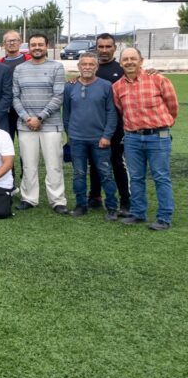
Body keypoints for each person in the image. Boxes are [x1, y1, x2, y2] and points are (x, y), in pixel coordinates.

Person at [113, 47, 178, 230]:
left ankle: (164, 217)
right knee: (136, 177)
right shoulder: (117, 87)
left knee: (161, 177)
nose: (129, 62)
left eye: (133, 58)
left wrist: (163, 124)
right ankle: (138, 213)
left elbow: (172, 106)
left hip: (158, 137)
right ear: (121, 63)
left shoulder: (158, 79)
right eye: (125, 59)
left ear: (141, 61)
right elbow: (121, 110)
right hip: (132, 138)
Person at [12, 33, 67, 214]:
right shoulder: (19, 69)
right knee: (28, 164)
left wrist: (40, 117)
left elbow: (58, 96)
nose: (37, 47)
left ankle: (57, 200)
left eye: (40, 44)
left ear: (47, 46)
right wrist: (27, 118)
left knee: (54, 164)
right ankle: (29, 198)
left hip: (50, 125)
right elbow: (15, 97)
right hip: (26, 125)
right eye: (33, 44)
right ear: (29, 47)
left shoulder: (56, 67)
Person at [63, 53, 119, 219]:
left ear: (97, 67)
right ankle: (81, 205)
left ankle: (112, 207)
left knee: (106, 173)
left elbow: (111, 113)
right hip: (77, 139)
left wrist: (107, 136)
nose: (87, 67)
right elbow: (66, 113)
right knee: (79, 173)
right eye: (84, 64)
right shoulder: (70, 87)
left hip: (99, 139)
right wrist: (70, 134)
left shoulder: (106, 86)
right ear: (79, 67)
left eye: (91, 64)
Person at [87, 33, 130, 214]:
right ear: (96, 47)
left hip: (117, 126)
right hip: (94, 125)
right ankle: (95, 196)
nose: (104, 50)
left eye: (108, 46)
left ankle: (125, 200)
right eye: (101, 46)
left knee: (116, 162)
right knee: (94, 161)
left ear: (114, 48)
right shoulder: (91, 69)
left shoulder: (121, 70)